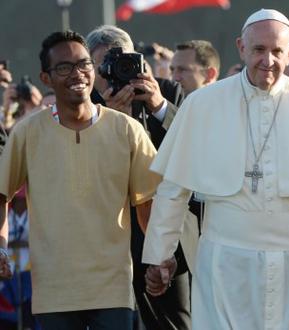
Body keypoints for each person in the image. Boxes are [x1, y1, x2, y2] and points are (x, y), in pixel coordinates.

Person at [141, 8, 289, 330]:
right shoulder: (202, 105)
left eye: (277, 51)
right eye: (259, 49)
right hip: (226, 265)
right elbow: (174, 188)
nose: (268, 60)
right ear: (241, 48)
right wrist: (160, 255)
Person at [0, 30, 160, 329]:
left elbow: (148, 202)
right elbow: (2, 192)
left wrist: (160, 257)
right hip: (53, 293)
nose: (77, 74)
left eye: (84, 64)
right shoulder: (27, 132)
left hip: (113, 289)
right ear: (45, 78)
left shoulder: (127, 130)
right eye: (64, 67)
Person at [86, 25, 193, 330]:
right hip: (113, 233)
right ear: (92, 68)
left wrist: (158, 106)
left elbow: (192, 146)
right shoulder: (89, 103)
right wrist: (108, 118)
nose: (117, 71)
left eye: (126, 60)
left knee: (175, 321)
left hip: (169, 228)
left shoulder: (166, 92)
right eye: (106, 64)